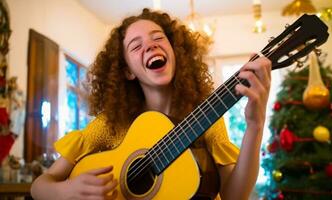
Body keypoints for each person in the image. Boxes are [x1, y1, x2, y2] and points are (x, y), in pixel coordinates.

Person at [31, 8, 271, 200]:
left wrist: (255, 125)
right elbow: (40, 186)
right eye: (135, 46)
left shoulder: (205, 116)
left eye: (158, 38)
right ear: (127, 71)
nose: (150, 45)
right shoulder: (110, 125)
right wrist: (66, 191)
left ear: (176, 53)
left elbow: (234, 196)